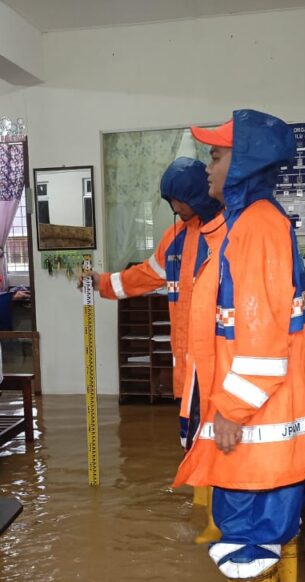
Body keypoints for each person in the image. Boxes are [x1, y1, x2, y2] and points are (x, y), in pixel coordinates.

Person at [174, 109, 305, 582]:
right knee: (271, 532)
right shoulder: (253, 222)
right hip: (270, 427)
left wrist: (230, 411)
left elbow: (260, 340)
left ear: (244, 162)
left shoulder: (254, 228)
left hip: (254, 428)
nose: (208, 167)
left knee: (246, 541)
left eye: (216, 155)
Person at [86, 157, 227, 543]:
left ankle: (219, 520)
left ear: (196, 196)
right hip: (187, 362)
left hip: (218, 361)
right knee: (195, 436)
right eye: (170, 202)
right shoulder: (175, 237)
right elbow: (146, 275)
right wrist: (102, 284)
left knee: (217, 437)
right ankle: (204, 510)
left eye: (178, 200)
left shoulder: (229, 233)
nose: (174, 209)